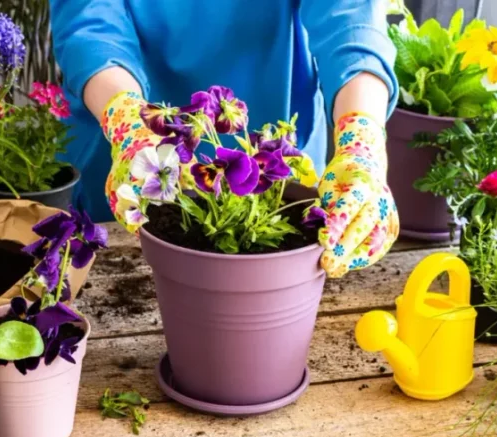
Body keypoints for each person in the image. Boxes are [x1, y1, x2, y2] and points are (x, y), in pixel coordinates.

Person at [49, 0, 400, 277]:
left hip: (277, 171)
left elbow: (351, 21)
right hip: (135, 160)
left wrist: (362, 141)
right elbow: (91, 25)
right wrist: (128, 125)